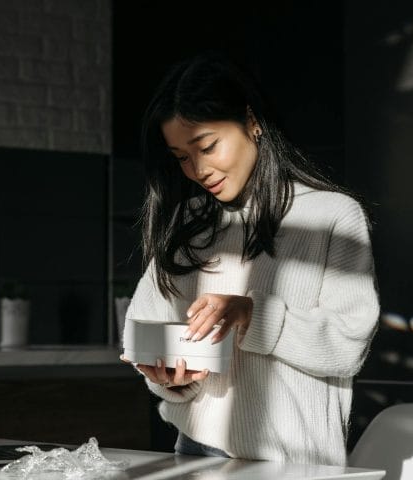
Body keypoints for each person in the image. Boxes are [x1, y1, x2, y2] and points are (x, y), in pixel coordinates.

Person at [120, 53, 379, 465]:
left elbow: (348, 346)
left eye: (207, 146)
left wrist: (250, 312)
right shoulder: (187, 225)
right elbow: (144, 326)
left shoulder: (332, 216)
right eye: (182, 157)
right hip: (197, 452)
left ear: (252, 121)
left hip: (296, 462)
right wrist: (172, 379)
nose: (198, 169)